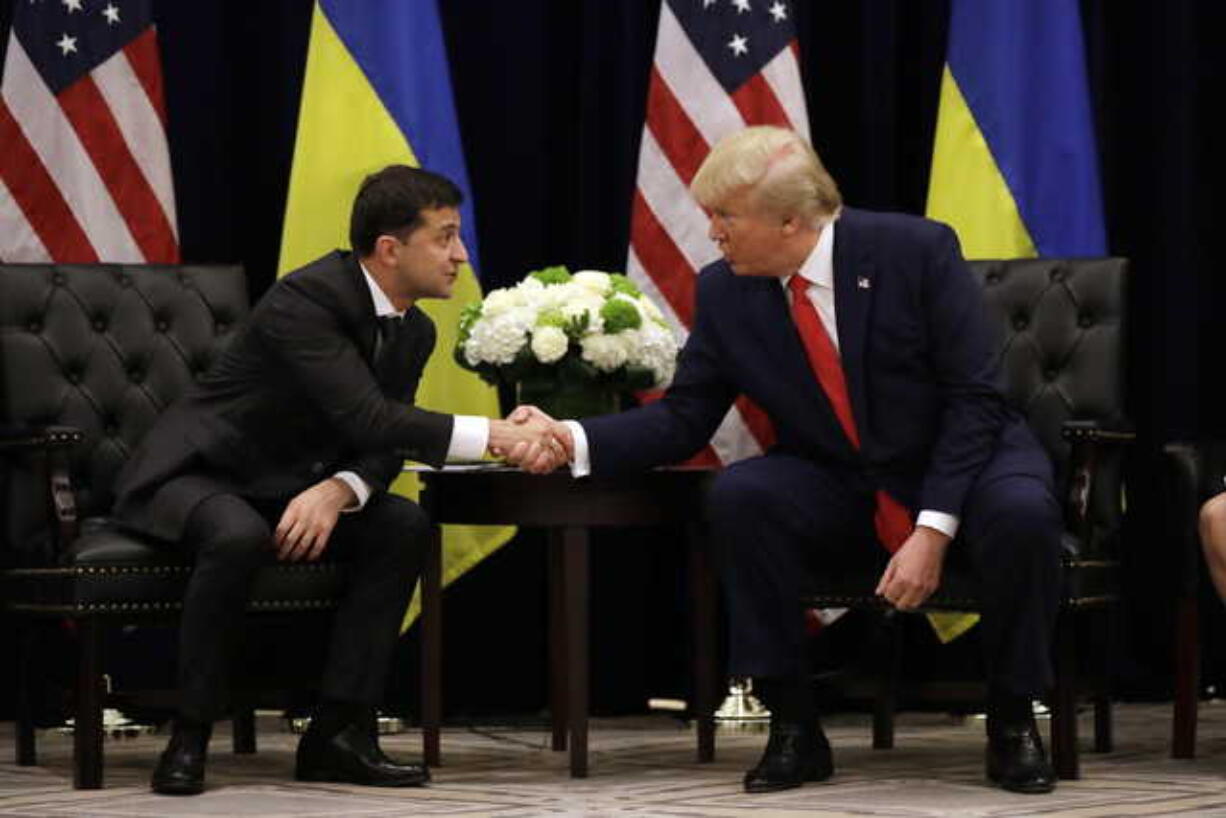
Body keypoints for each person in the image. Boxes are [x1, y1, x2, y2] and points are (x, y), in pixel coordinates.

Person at [507, 127, 1062, 794]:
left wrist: (932, 528)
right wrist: (573, 437)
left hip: (967, 460)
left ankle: (1011, 720)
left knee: (1023, 511)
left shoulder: (914, 250)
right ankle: (794, 726)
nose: (712, 232)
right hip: (842, 475)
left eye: (725, 216)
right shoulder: (725, 291)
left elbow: (974, 399)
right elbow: (685, 416)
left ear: (791, 220)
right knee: (742, 495)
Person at [112, 165, 553, 795]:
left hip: (292, 485)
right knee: (237, 535)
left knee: (401, 523)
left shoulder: (415, 329)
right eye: (446, 237)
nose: (461, 255)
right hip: (201, 474)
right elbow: (369, 416)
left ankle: (339, 732)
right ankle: (190, 734)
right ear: (390, 249)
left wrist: (339, 488)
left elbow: (381, 441)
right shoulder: (307, 299)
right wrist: (499, 436)